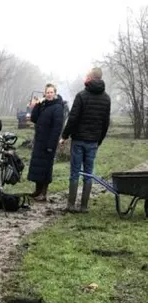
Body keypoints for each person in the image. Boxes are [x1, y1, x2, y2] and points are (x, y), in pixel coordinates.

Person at [60, 67, 111, 213]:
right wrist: (98, 140)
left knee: (75, 172)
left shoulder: (81, 95)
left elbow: (73, 118)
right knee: (88, 173)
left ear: (90, 78)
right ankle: (84, 206)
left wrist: (64, 136)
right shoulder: (106, 98)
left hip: (79, 140)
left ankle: (71, 205)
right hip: (93, 141)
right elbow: (105, 123)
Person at [27, 84, 65, 201]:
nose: (49, 94)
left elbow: (57, 128)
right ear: (45, 94)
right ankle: (37, 190)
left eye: (51, 92)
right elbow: (34, 118)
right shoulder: (43, 105)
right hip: (39, 141)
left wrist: (51, 145)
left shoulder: (58, 108)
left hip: (49, 143)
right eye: (47, 92)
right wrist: (38, 105)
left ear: (55, 93)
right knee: (38, 167)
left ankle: (44, 193)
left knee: (46, 168)